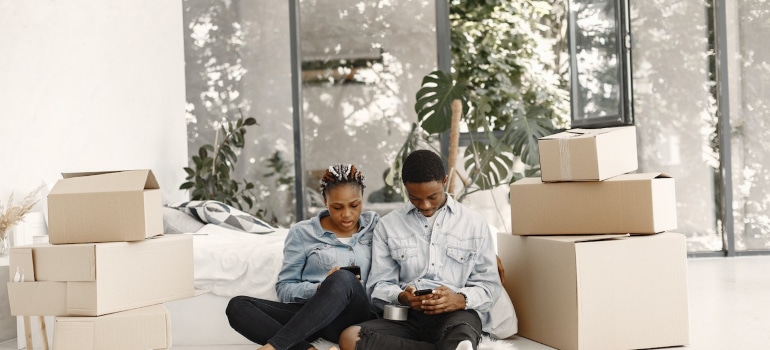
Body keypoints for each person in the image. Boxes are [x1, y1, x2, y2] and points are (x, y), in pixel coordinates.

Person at [338, 150, 503, 350]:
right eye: (414, 198)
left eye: (433, 196)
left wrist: (458, 299)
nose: (425, 205)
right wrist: (402, 297)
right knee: (350, 337)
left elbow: (490, 286)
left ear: (444, 181)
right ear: (405, 188)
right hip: (407, 317)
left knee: (462, 338)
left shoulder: (474, 223)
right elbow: (378, 286)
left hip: (456, 316)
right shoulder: (388, 225)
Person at [226, 164, 378, 350]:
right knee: (238, 306)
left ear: (362, 198)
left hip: (355, 318)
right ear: (324, 201)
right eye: (337, 207)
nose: (347, 214)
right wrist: (321, 287)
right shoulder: (302, 233)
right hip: (312, 318)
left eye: (354, 205)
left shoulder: (375, 226)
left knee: (343, 278)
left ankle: (274, 347)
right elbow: (285, 288)